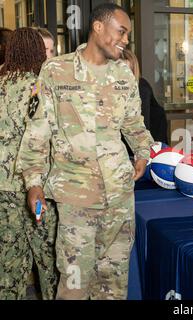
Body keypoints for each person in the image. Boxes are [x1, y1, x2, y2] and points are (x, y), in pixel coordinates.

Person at [17, 3, 153, 299]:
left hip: (119, 195)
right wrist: (34, 182)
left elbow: (134, 123)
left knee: (114, 282)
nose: (126, 40)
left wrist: (143, 151)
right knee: (74, 281)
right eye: (122, 31)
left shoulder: (123, 74)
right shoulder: (56, 70)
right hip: (76, 199)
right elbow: (39, 128)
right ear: (98, 27)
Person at [0, 28, 58, 300]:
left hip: (2, 191)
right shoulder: (38, 87)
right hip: (36, 189)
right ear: (37, 52)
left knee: (8, 266)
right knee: (50, 264)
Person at [122, 48, 168, 144]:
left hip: (151, 140)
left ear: (134, 70)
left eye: (127, 71)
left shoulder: (141, 87)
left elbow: (141, 125)